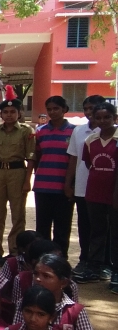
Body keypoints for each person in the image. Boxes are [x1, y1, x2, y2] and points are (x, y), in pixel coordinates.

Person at [0, 86, 36, 261]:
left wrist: (27, 179)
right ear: (1, 115)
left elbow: (31, 156)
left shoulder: (26, 131)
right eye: (5, 112)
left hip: (17, 172)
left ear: (19, 113)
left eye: (12, 111)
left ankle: (15, 250)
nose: (9, 115)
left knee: (18, 214)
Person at [65, 94, 104, 282]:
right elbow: (73, 158)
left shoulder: (112, 132)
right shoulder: (79, 131)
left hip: (107, 188)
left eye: (93, 108)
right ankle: (84, 260)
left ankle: (104, 264)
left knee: (105, 227)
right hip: (82, 186)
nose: (89, 112)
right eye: (86, 108)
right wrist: (68, 183)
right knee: (85, 225)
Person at [82, 102, 118, 285]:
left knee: (116, 232)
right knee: (97, 230)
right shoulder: (91, 140)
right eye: (99, 117)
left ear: (115, 118)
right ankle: (95, 267)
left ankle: (116, 271)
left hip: (115, 195)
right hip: (94, 193)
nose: (103, 121)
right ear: (93, 119)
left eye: (107, 117)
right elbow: (90, 164)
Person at [34, 95, 75, 256]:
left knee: (62, 228)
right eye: (49, 109)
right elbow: (37, 157)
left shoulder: (74, 132)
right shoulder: (40, 132)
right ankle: (43, 260)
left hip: (63, 188)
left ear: (64, 110)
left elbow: (74, 160)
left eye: (56, 108)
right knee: (42, 227)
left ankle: (60, 260)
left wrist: (70, 185)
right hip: (42, 186)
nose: (52, 112)